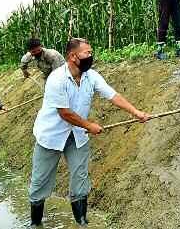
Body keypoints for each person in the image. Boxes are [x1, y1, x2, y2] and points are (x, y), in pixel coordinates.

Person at [28, 38, 150, 227]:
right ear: (73, 56)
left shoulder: (91, 76)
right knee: (40, 181)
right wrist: (89, 126)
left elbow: (112, 95)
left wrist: (135, 112)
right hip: (50, 136)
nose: (91, 56)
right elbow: (64, 113)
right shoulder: (56, 78)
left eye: (91, 53)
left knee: (80, 177)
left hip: (77, 135)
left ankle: (81, 221)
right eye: (87, 53)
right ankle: (36, 222)